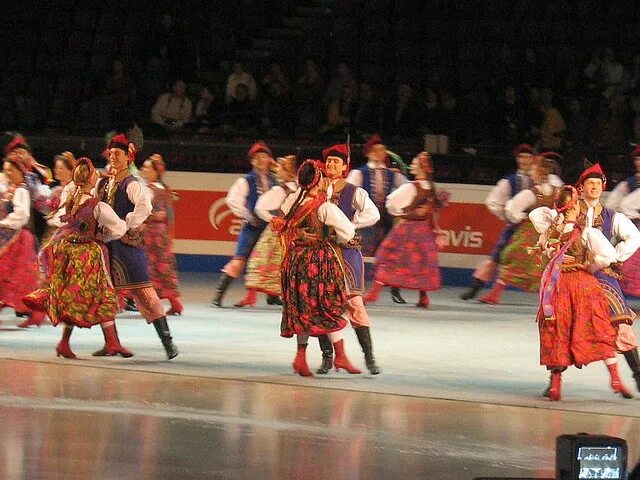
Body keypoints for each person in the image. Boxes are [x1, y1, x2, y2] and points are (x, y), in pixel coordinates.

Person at [529, 185, 634, 400]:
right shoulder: (586, 232)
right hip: (582, 285)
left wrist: (556, 214)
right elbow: (606, 257)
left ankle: (556, 384)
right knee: (598, 327)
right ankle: (615, 378)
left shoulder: (550, 230)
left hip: (557, 287)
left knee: (557, 331)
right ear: (576, 206)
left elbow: (536, 217)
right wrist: (592, 267)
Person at [22, 158, 131, 358]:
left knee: (74, 297)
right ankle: (110, 342)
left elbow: (57, 219)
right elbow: (119, 228)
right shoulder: (97, 206)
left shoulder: (71, 200)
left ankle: (74, 343)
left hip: (67, 252)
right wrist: (104, 235)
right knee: (101, 295)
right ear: (91, 179)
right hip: (87, 255)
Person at [296, 143, 380, 375]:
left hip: (346, 252)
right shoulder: (315, 189)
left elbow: (373, 214)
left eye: (337, 162)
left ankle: (369, 357)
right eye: (329, 161)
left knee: (355, 303)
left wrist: (350, 225)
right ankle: (328, 357)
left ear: (345, 167)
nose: (332, 164)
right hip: (320, 253)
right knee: (321, 304)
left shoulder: (354, 192)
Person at [94, 133, 178, 359]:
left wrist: (127, 224)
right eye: (110, 154)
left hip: (127, 244)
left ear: (127, 157)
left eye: (117, 154)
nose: (113, 157)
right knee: (103, 293)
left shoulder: (132, 183)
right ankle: (112, 342)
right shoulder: (104, 181)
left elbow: (144, 207)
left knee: (144, 292)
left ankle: (168, 342)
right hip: (105, 245)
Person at [275, 159, 361, 377]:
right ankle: (340, 356)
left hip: (295, 261)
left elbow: (282, 223)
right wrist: (333, 237)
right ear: (319, 181)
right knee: (327, 306)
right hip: (319, 262)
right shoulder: (324, 207)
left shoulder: (293, 201)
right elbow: (348, 232)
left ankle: (301, 357)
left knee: (302, 308)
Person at [460, 144, 559, 300]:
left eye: (528, 158)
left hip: (542, 230)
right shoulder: (511, 181)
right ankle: (478, 286)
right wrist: (511, 217)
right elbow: (494, 202)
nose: (525, 161)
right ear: (517, 159)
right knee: (501, 255)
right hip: (519, 228)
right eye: (522, 157)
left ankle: (554, 295)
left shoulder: (552, 183)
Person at [573, 163, 640, 393]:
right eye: (589, 184)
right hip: (573, 274)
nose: (594, 188)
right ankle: (555, 379)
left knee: (621, 322)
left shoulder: (613, 217)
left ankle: (638, 374)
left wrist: (614, 258)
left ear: (603, 187)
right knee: (563, 323)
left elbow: (634, 237)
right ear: (580, 188)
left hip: (604, 276)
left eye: (597, 184)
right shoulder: (570, 212)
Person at [364, 151, 449, 308]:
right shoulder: (431, 188)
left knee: (387, 256)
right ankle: (423, 297)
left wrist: (400, 213)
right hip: (424, 231)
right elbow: (432, 213)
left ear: (422, 167)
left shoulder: (411, 187)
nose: (412, 164)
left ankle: (374, 292)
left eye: (415, 162)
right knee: (421, 262)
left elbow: (392, 203)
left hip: (407, 229)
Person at [211, 141, 275, 307]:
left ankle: (273, 296)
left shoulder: (275, 180)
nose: (261, 160)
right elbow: (233, 200)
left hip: (271, 228)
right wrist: (248, 216)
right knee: (239, 260)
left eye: (264, 157)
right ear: (252, 161)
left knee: (273, 261)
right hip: (253, 227)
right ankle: (219, 294)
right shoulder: (246, 181)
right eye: (258, 158)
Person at [346, 134, 408, 302]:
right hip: (366, 222)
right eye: (376, 150)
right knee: (360, 254)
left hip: (385, 221)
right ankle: (356, 289)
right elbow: (348, 193)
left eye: (382, 150)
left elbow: (409, 189)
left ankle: (394, 290)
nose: (379, 153)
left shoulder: (392, 174)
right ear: (369, 153)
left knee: (391, 256)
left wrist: (398, 208)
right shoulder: (359, 173)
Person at [234, 155, 299, 307]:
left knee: (280, 265)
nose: (277, 173)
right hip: (279, 233)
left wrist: (273, 219)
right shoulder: (281, 190)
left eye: (280, 170)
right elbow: (259, 208)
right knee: (264, 262)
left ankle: (286, 296)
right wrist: (273, 219)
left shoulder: (297, 190)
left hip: (291, 233)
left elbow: (259, 208)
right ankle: (253, 296)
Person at [0, 157, 45, 328]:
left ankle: (36, 312)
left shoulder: (21, 191)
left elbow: (23, 214)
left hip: (19, 238)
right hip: (8, 236)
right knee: (7, 276)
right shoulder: (11, 189)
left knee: (22, 278)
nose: (8, 173)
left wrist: (4, 223)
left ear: (20, 171)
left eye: (11, 170)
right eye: (6, 170)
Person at [140, 154, 183, 316]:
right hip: (160, 233)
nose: (144, 170)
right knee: (162, 267)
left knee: (151, 268)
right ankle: (174, 303)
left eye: (147, 167)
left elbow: (153, 213)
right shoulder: (162, 188)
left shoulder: (152, 190)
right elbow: (168, 215)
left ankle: (152, 305)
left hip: (151, 233)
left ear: (156, 171)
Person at [4, 133, 53, 243]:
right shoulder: (5, 177)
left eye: (22, 153)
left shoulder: (34, 176)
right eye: (15, 153)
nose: (19, 156)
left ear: (29, 155)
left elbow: (42, 200)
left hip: (28, 226)